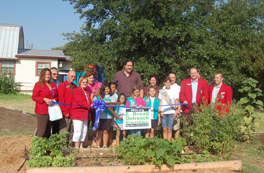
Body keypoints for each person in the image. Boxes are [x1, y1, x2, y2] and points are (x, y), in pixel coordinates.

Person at [179, 68, 209, 140]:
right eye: (192, 73)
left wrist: (204, 107)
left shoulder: (203, 82)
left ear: (197, 73)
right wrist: (184, 100)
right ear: (190, 74)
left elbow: (205, 95)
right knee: (186, 126)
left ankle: (196, 143)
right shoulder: (184, 82)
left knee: (197, 126)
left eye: (194, 73)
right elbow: (181, 94)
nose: (193, 74)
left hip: (198, 107)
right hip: (187, 107)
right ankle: (185, 144)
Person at [32, 68, 58, 138]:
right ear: (42, 75)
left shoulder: (53, 85)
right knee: (42, 131)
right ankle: (39, 147)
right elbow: (34, 97)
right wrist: (44, 99)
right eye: (45, 74)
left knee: (48, 131)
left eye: (48, 74)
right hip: (42, 111)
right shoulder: (38, 84)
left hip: (51, 110)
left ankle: (46, 147)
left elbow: (56, 96)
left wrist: (54, 100)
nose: (47, 76)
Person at [71, 77, 93, 148]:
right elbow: (80, 102)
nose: (85, 83)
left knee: (84, 130)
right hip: (78, 114)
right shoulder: (77, 90)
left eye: (86, 82)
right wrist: (89, 105)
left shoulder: (87, 92)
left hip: (85, 114)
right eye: (83, 82)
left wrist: (93, 104)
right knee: (78, 130)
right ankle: (76, 146)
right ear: (80, 83)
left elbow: (89, 101)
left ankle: (81, 145)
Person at [94, 83, 116, 148]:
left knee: (106, 131)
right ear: (102, 89)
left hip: (108, 116)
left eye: (108, 89)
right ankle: (97, 145)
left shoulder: (112, 96)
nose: (107, 90)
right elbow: (94, 102)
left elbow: (114, 104)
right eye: (105, 89)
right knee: (99, 131)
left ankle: (104, 145)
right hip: (100, 116)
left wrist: (106, 105)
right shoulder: (99, 96)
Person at [58, 71, 77, 146]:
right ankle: (62, 147)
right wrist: (65, 111)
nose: (73, 78)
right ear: (68, 76)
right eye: (71, 76)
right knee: (64, 130)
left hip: (73, 113)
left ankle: (69, 146)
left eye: (74, 77)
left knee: (72, 131)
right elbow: (61, 100)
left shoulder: (75, 87)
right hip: (66, 113)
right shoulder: (62, 86)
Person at [158, 77, 180, 142]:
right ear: (164, 83)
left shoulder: (174, 91)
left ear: (171, 83)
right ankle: (165, 143)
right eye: (166, 82)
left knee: (170, 129)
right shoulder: (162, 91)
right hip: (164, 112)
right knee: (164, 129)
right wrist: (160, 111)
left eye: (169, 82)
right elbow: (160, 102)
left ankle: (169, 143)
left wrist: (176, 111)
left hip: (171, 112)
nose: (168, 83)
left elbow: (176, 101)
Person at [84, 71, 102, 143]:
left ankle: (92, 136)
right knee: (86, 125)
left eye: (92, 78)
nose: (91, 79)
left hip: (95, 109)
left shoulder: (96, 86)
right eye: (90, 78)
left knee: (96, 124)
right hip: (87, 109)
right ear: (86, 78)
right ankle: (85, 140)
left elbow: (99, 96)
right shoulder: (85, 86)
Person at [163, 72, 181, 138]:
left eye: (173, 77)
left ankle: (176, 143)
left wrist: (178, 110)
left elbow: (178, 100)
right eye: (171, 78)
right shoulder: (163, 88)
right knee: (167, 128)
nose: (172, 79)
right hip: (165, 111)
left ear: (175, 78)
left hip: (174, 110)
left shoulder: (178, 87)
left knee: (176, 128)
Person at [50, 67, 60, 134]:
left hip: (57, 104)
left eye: (57, 74)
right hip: (50, 105)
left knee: (56, 122)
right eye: (54, 74)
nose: (56, 75)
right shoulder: (49, 82)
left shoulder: (58, 82)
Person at [108, 82, 118, 146]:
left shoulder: (116, 95)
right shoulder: (106, 94)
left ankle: (110, 141)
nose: (113, 89)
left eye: (114, 87)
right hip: (107, 113)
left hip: (113, 112)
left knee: (111, 128)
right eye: (112, 87)